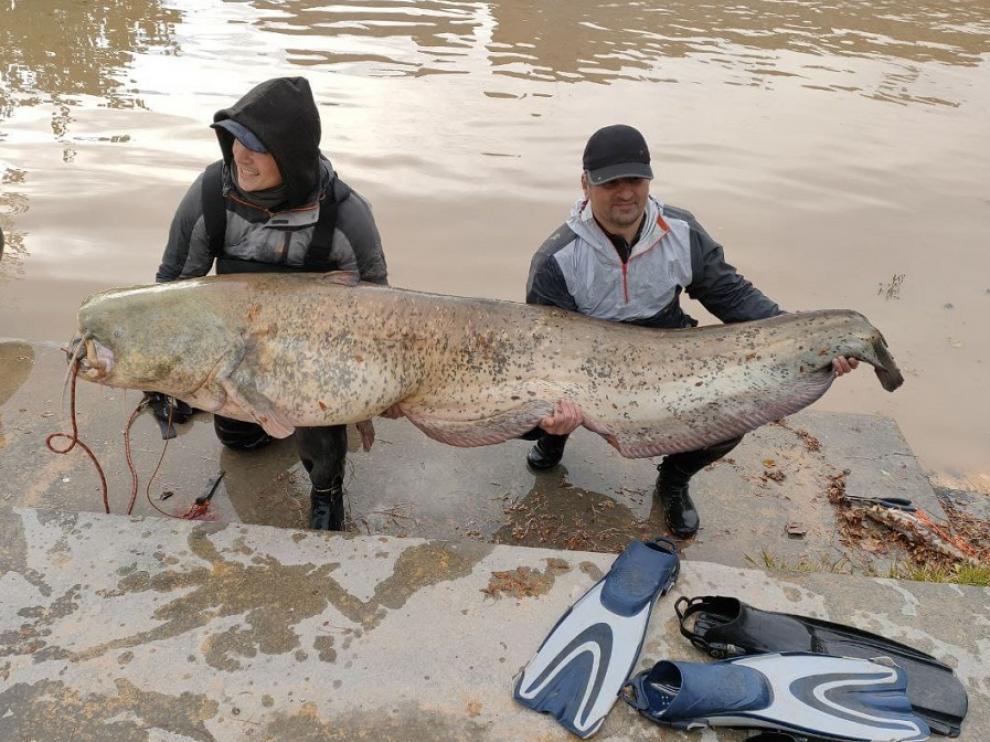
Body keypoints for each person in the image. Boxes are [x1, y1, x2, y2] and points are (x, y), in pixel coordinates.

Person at [524, 124, 857, 538]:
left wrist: (797, 335)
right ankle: (554, 441)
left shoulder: (681, 232)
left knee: (736, 411)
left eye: (635, 179)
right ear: (585, 184)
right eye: (610, 182)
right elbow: (541, 353)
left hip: (668, 347)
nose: (625, 192)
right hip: (584, 362)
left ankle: (674, 479)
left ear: (649, 179)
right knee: (533, 414)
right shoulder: (556, 259)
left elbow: (731, 296)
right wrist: (553, 413)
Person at [155, 76, 388, 531]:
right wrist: (166, 370)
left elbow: (377, 313)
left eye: (255, 146)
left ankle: (326, 490)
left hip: (314, 351)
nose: (239, 154)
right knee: (240, 442)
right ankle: (260, 424)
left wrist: (359, 395)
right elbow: (174, 286)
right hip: (240, 342)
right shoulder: (209, 194)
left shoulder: (347, 215)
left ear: (291, 158)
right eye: (234, 138)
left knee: (318, 428)